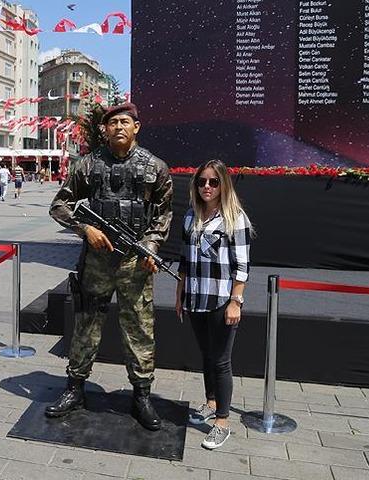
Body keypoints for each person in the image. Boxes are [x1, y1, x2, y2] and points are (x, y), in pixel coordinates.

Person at [47, 103, 173, 431]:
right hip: (97, 261)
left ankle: (141, 395)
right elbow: (59, 206)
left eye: (124, 121)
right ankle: (75, 388)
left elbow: (163, 214)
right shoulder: (88, 165)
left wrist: (151, 245)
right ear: (105, 129)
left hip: (134, 262)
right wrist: (84, 229)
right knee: (86, 324)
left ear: (136, 127)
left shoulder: (155, 167)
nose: (118, 127)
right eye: (112, 122)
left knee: (139, 328)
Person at [176, 159, 252, 450]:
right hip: (196, 297)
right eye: (202, 182)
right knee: (207, 355)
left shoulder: (235, 218)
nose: (206, 186)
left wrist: (236, 301)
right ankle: (211, 402)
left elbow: (242, 266)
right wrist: (180, 294)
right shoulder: (190, 216)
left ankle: (222, 421)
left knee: (221, 361)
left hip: (221, 299)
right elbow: (184, 260)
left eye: (213, 182)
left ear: (223, 185)